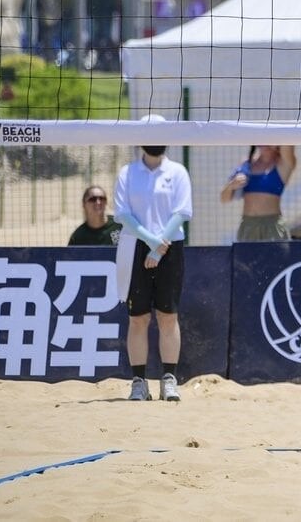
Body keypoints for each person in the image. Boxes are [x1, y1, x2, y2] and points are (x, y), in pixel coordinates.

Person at [113, 115, 192, 402]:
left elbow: (182, 213)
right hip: (137, 247)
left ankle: (169, 380)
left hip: (170, 248)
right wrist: (151, 242)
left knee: (168, 316)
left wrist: (159, 248)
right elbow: (122, 215)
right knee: (138, 318)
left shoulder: (178, 172)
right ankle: (139, 382)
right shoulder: (127, 173)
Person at [218, 144, 298, 240]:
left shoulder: (283, 164)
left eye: (270, 140)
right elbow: (224, 198)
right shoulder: (246, 164)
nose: (266, 144)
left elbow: (287, 141)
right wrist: (231, 185)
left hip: (272, 225)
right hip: (248, 225)